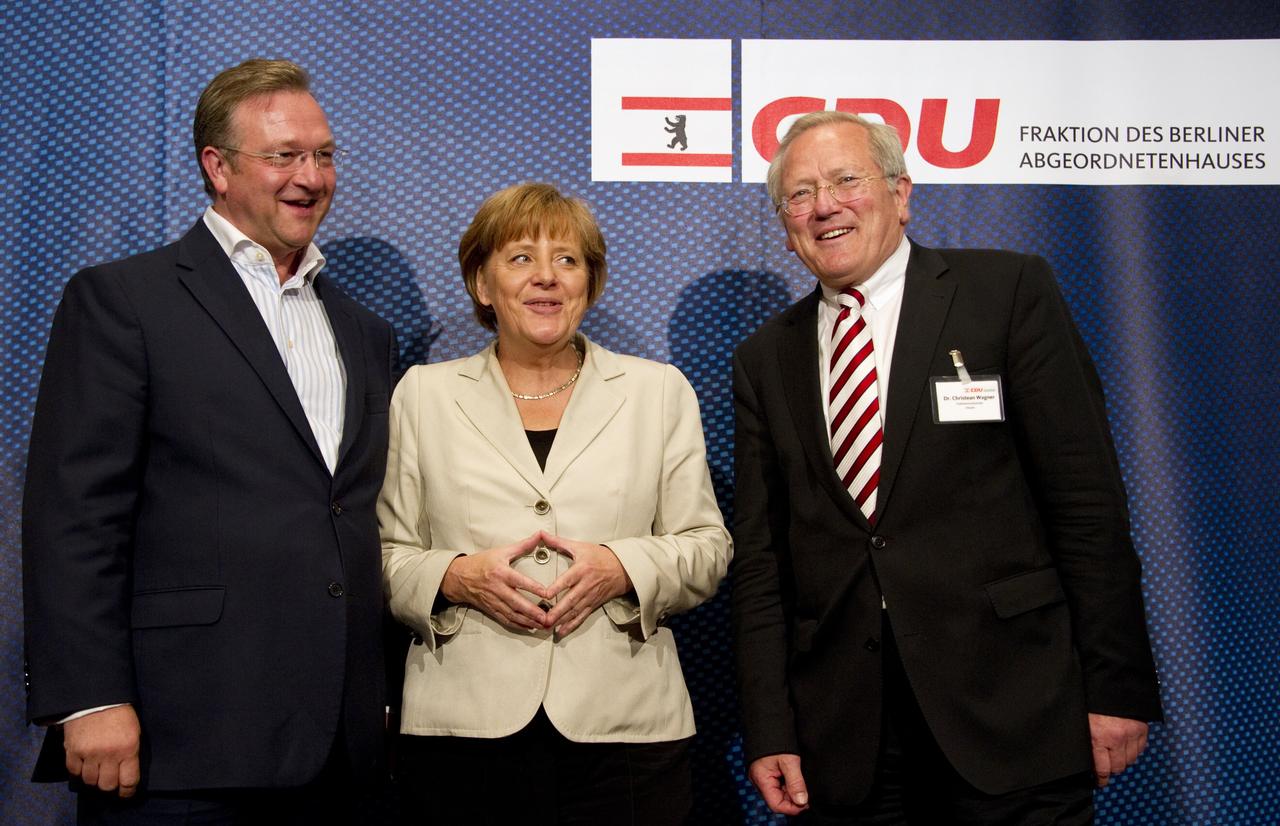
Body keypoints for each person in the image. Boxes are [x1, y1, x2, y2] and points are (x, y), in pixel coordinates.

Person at [731, 111, 1162, 824]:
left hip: (1014, 715)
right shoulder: (764, 358)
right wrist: (771, 726)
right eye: (800, 195)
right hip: (850, 742)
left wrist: (1115, 687)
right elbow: (762, 562)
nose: (825, 206)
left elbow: (1086, 504)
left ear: (901, 194)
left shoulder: (1007, 292)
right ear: (785, 223)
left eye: (845, 180)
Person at [21, 59, 395, 823]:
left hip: (341, 749)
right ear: (216, 167)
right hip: (179, 738)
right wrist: (89, 697)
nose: (311, 176)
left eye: (323, 154)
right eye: (283, 155)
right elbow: (74, 516)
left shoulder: (364, 330)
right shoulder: (125, 300)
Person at [379, 182, 730, 825]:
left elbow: (707, 548)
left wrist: (622, 567)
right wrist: (454, 576)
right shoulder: (422, 395)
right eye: (520, 258)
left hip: (625, 730)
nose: (546, 278)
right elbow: (385, 556)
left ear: (590, 284)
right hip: (463, 730)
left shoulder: (657, 392)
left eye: (567, 260)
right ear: (483, 285)